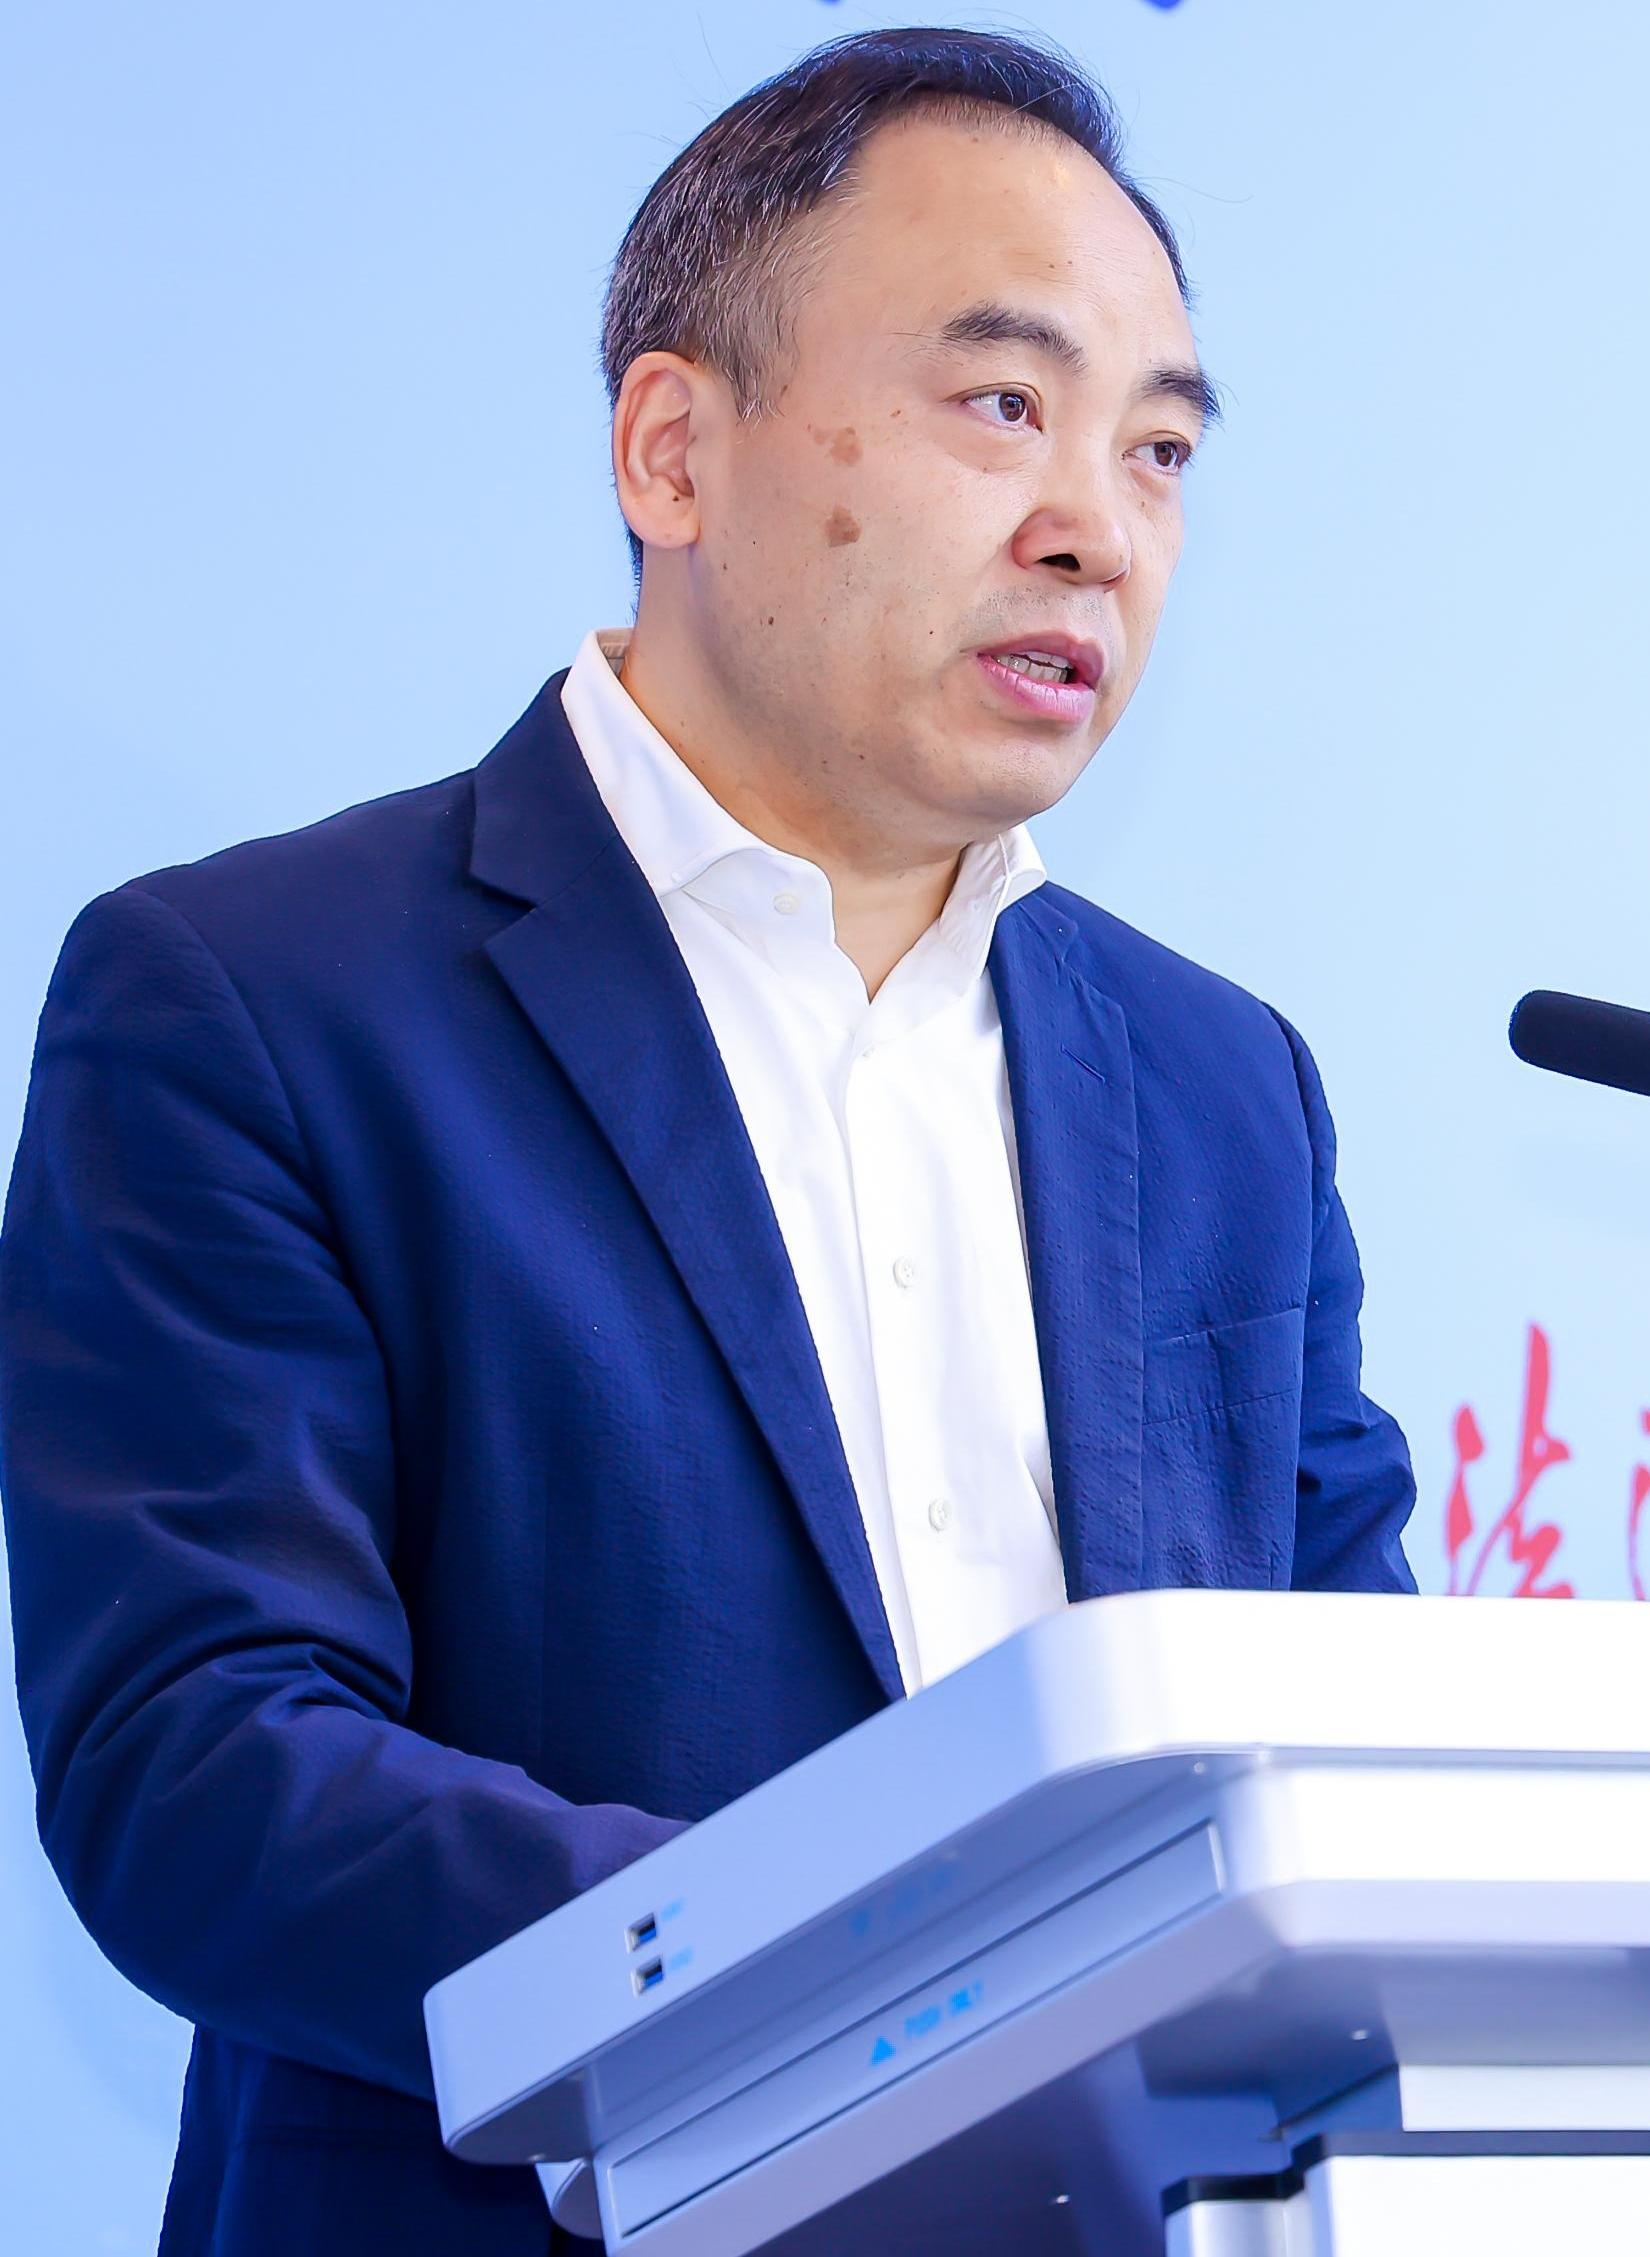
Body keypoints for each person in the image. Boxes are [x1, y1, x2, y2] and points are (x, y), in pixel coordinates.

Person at [0, 25, 1416, 2257]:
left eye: (1158, 450)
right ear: (675, 448)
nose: (1097, 527)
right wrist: (884, 1989)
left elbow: (1349, 1741)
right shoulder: (259, 997)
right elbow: (203, 1764)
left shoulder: (1223, 1084)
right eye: (1002, 405)